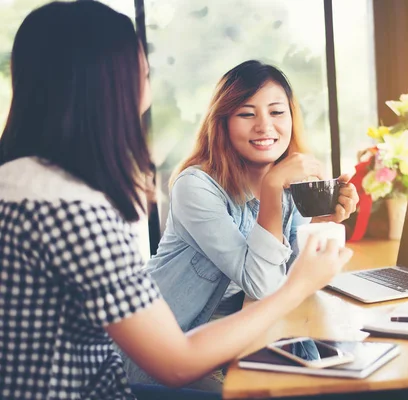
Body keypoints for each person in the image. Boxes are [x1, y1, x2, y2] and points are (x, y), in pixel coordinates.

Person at [0, 2, 353, 399]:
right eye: (144, 75)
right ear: (112, 87)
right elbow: (175, 362)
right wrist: (297, 287)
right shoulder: (74, 209)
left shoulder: (20, 183)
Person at [121, 60, 359, 385]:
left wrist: (319, 221)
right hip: (169, 353)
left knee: (337, 378)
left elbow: (285, 283)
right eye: (247, 114)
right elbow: (261, 286)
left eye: (277, 112)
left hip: (236, 341)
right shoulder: (196, 186)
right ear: (223, 122)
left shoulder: (289, 182)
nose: (264, 126)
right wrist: (273, 187)